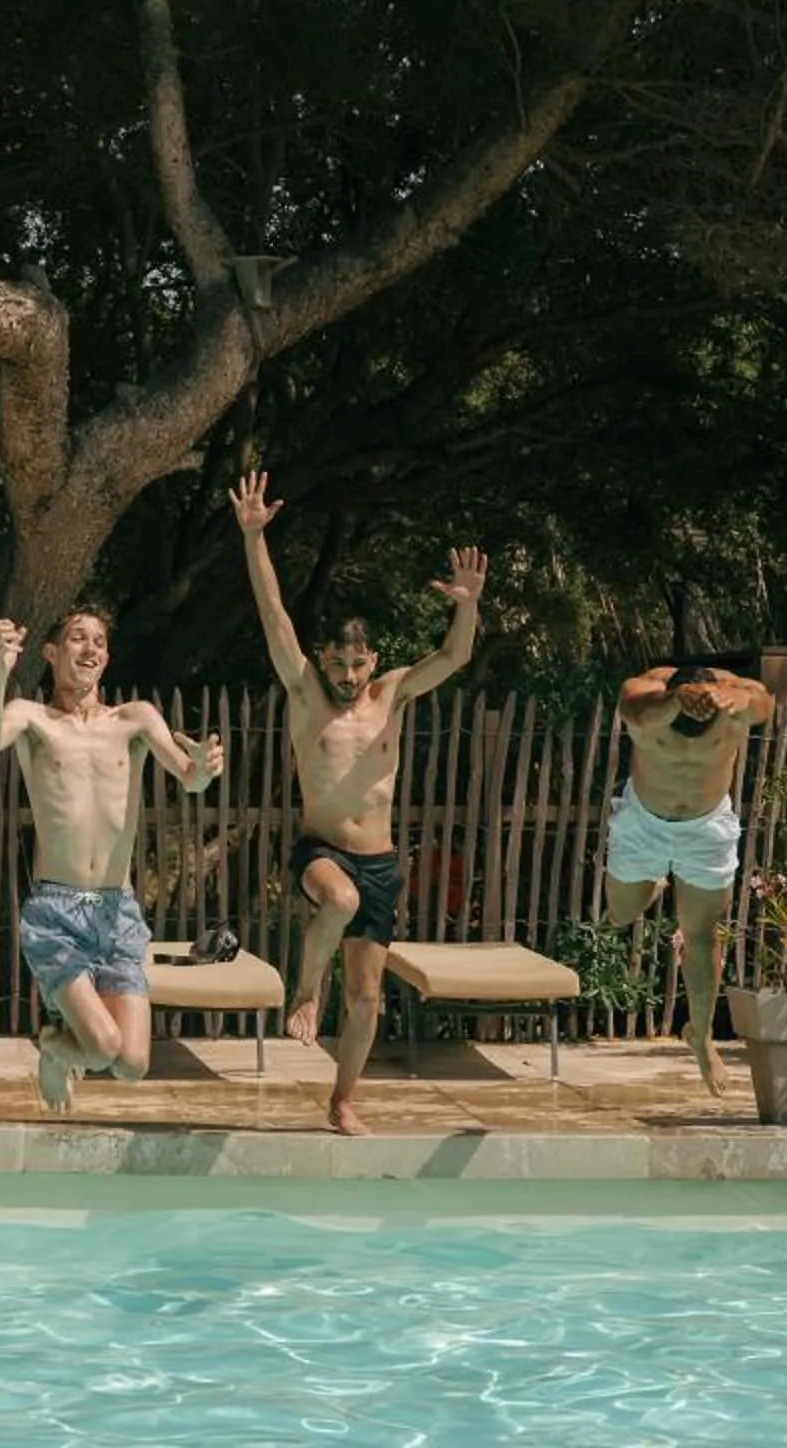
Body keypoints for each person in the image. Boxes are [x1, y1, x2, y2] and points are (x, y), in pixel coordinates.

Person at [230, 472, 484, 1134]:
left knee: (369, 996)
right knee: (335, 901)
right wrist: (254, 538)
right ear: (323, 658)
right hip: (322, 852)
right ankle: (307, 990)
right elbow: (272, 615)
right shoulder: (305, 691)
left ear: (374, 660)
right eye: (339, 663)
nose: (348, 676)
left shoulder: (393, 694)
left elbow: (455, 657)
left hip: (379, 861)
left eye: (359, 664)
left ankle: (342, 1100)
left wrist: (466, 603)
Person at [0, 610, 224, 1113]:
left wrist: (201, 767)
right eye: (77, 638)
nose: (90, 649)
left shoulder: (134, 719)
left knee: (131, 1064)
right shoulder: (32, 717)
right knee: (104, 1046)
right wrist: (1, 672)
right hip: (57, 911)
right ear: (51, 653)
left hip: (117, 911)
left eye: (100, 642)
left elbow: (191, 779)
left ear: (107, 657)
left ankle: (59, 1044)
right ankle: (55, 1047)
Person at [608, 661, 776, 1094]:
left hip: (705, 828)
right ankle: (656, 881)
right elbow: (636, 711)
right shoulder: (646, 690)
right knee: (621, 914)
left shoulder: (735, 697)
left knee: (702, 935)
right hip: (644, 822)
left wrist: (742, 701)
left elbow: (763, 704)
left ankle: (700, 1038)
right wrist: (675, 703)